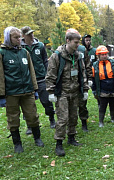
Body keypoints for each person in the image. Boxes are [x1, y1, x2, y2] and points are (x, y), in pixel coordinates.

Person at [0, 26, 44, 153]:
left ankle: (37, 138)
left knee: (32, 115)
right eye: (15, 37)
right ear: (8, 38)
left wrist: (35, 88)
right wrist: (1, 95)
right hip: (11, 93)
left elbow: (31, 71)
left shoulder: (24, 52)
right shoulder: (0, 54)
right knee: (13, 119)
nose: (19, 39)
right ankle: (17, 143)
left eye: (19, 37)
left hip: (27, 91)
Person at [46, 28, 89, 156]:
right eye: (75, 42)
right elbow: (50, 75)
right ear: (68, 41)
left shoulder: (77, 56)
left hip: (74, 91)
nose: (78, 45)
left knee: (73, 116)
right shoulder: (57, 56)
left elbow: (82, 73)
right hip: (62, 92)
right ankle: (59, 143)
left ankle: (71, 137)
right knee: (62, 118)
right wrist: (51, 92)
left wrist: (85, 89)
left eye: (78, 42)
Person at [21, 26, 56, 134]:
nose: (32, 36)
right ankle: (29, 125)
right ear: (23, 36)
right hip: (28, 80)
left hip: (41, 78)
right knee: (28, 105)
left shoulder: (40, 46)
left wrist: (47, 73)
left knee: (46, 101)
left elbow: (45, 60)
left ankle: (51, 118)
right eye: (29, 34)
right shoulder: (20, 48)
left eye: (32, 33)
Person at [92, 45, 114, 127]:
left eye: (105, 54)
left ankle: (113, 118)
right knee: (102, 105)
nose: (104, 56)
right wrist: (94, 89)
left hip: (113, 86)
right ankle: (101, 121)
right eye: (102, 54)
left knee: (113, 104)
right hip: (102, 87)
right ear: (98, 55)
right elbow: (93, 79)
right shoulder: (95, 65)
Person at [77, 34, 96, 132]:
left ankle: (84, 122)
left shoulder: (82, 49)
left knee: (82, 104)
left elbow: (88, 65)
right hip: (68, 82)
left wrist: (89, 78)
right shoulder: (62, 50)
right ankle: (71, 125)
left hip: (81, 80)